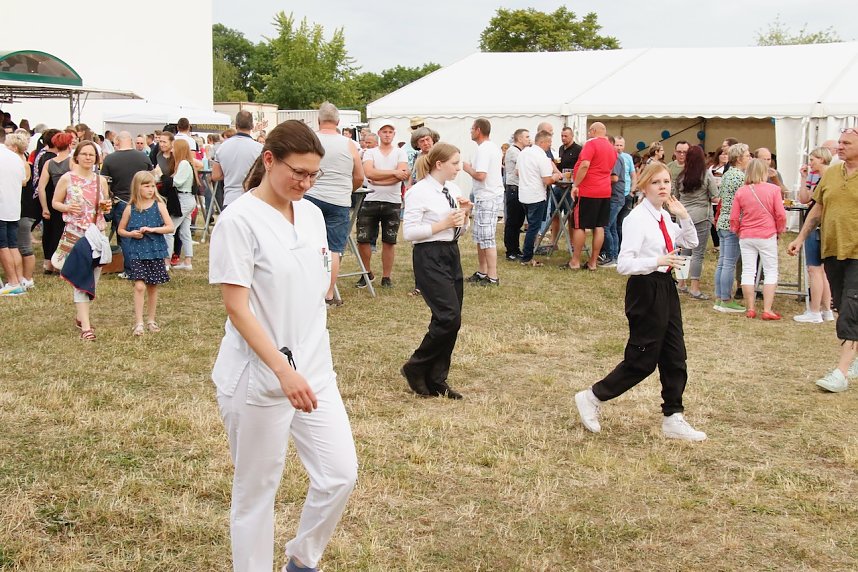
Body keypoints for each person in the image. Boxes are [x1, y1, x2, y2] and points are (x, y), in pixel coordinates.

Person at [209, 120, 357, 571]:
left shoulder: (310, 213)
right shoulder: (238, 220)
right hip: (258, 377)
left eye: (314, 175)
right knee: (257, 493)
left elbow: (314, 285)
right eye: (298, 172)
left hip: (314, 369)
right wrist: (281, 369)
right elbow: (237, 308)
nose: (306, 183)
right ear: (269, 160)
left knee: (339, 474)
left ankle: (302, 558)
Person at [574, 162, 705, 441]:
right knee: (642, 360)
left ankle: (673, 415)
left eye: (667, 182)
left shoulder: (664, 217)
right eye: (656, 182)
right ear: (644, 186)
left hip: (665, 286)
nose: (663, 187)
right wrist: (658, 260)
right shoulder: (636, 218)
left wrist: (683, 216)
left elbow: (691, 242)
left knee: (675, 354)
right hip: (645, 289)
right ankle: (592, 396)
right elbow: (624, 264)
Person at [787, 128, 858, 392]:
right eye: (839, 142)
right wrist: (800, 238)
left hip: (857, 254)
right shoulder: (831, 173)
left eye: (847, 143)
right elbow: (817, 208)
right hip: (833, 249)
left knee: (851, 309)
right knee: (840, 305)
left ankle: (841, 373)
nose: (840, 146)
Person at [401, 142, 473, 399]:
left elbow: (457, 230)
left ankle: (437, 378)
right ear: (439, 164)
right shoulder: (418, 192)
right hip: (429, 256)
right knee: (448, 317)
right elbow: (409, 233)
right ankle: (416, 366)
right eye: (455, 163)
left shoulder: (451, 189)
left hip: (450, 253)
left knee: (452, 319)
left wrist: (464, 216)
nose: (458, 168)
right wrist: (442, 224)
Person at [305, 102, 364, 305]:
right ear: (338, 122)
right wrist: (348, 189)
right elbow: (359, 175)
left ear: (319, 121)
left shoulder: (310, 140)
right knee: (333, 248)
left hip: (310, 197)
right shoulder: (349, 144)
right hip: (338, 200)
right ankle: (329, 294)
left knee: (306, 244)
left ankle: (306, 288)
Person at [52, 141, 110, 340]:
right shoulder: (67, 178)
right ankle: (86, 327)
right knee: (80, 279)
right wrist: (67, 208)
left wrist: (105, 206)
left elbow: (105, 206)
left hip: (96, 234)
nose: (87, 157)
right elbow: (55, 202)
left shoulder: (100, 180)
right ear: (76, 156)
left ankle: (80, 316)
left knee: (92, 278)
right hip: (76, 233)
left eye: (91, 155)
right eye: (84, 154)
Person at [118, 171, 174, 335]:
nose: (150, 189)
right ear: (137, 187)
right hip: (137, 252)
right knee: (139, 286)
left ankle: (151, 319)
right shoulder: (130, 208)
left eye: (152, 186)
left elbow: (170, 226)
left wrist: (153, 229)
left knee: (152, 286)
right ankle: (139, 322)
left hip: (155, 250)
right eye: (146, 186)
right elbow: (121, 229)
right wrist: (131, 234)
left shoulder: (159, 205)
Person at [729, 159, 787, 319]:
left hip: (747, 234)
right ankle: (767, 309)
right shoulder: (774, 190)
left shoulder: (741, 191)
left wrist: (737, 230)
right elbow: (780, 214)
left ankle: (750, 307)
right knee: (770, 271)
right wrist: (780, 230)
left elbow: (734, 217)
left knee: (748, 271)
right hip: (767, 234)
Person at [357, 123, 408, 288]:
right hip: (370, 199)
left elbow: (403, 174)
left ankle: (386, 277)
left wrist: (381, 177)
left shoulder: (400, 152)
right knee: (363, 239)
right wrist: (393, 173)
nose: (387, 135)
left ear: (394, 134)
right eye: (384, 132)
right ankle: (366, 273)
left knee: (389, 241)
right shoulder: (370, 152)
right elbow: (369, 173)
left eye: (390, 132)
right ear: (379, 133)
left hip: (392, 201)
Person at [564, 122, 617, 271]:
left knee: (580, 225)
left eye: (589, 131)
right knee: (599, 226)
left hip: (588, 190)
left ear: (593, 131)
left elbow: (585, 165)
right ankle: (593, 262)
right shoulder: (611, 148)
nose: (588, 134)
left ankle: (575, 261)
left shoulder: (591, 144)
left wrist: (576, 184)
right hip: (604, 191)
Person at [101, 131, 153, 278]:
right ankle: (145, 267)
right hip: (142, 201)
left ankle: (130, 270)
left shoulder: (110, 159)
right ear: (130, 141)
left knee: (125, 236)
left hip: (121, 201)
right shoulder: (143, 156)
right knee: (145, 234)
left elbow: (104, 183)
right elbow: (152, 177)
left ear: (116, 142)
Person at [794, 147, 834, 323]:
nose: (810, 164)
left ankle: (815, 311)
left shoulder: (826, 178)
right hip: (825, 228)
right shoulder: (823, 177)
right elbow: (803, 198)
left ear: (822, 159)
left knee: (814, 269)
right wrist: (803, 178)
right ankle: (826, 310)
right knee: (823, 272)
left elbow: (811, 201)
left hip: (817, 228)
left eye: (813, 160)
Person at [462, 118, 504, 286]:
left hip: (489, 195)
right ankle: (482, 271)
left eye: (472, 128)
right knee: (480, 237)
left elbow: (481, 175)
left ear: (478, 130)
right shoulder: (489, 147)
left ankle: (492, 276)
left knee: (486, 237)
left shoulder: (484, 149)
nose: (470, 131)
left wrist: (467, 168)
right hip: (485, 195)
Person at [675, 146, 719, 299]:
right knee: (698, 253)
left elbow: (676, 197)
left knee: (684, 252)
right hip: (701, 216)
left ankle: (681, 283)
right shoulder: (706, 175)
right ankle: (695, 288)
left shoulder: (681, 176)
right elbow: (715, 196)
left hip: (684, 216)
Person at [713, 143, 751, 313]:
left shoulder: (728, 174)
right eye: (748, 155)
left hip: (723, 221)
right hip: (732, 223)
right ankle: (726, 299)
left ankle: (720, 297)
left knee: (723, 262)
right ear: (740, 158)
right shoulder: (739, 177)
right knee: (729, 263)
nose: (749, 158)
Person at [517, 130, 560, 266]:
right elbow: (547, 180)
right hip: (536, 195)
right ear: (542, 142)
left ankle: (528, 253)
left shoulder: (523, 153)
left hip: (524, 194)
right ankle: (527, 257)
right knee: (533, 228)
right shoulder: (541, 156)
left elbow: (517, 172)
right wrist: (556, 177)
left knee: (531, 225)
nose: (550, 146)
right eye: (549, 142)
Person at [37, 132, 74, 273]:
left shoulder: (49, 163)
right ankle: (60, 264)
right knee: (64, 234)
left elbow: (41, 188)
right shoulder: (72, 162)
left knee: (50, 232)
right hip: (67, 200)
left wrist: (44, 207)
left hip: (52, 199)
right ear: (69, 144)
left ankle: (49, 263)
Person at [211, 111, 264, 208]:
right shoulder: (259, 149)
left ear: (236, 125)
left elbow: (215, 176)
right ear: (252, 126)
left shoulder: (222, 147)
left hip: (230, 199)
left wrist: (230, 174)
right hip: (252, 199)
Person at [7, 132, 37, 290]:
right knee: (18, 246)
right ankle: (23, 277)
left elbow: (23, 183)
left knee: (24, 246)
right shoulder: (20, 161)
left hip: (24, 209)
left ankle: (28, 278)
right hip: (22, 209)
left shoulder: (21, 163)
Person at [0, 132, 27, 296]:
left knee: (2, 247)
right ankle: (18, 280)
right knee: (12, 246)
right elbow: (23, 181)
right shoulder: (16, 158)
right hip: (13, 208)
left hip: (2, 208)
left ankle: (12, 282)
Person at [165, 139, 198, 271]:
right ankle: (188, 261)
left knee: (169, 230)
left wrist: (162, 178)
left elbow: (177, 182)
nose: (171, 150)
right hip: (188, 199)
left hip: (183, 199)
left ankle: (166, 261)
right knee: (185, 231)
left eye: (173, 148)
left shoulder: (183, 163)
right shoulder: (188, 163)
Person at [502, 128, 529, 261]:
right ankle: (510, 250)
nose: (529, 139)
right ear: (519, 139)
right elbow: (523, 167)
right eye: (527, 137)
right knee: (513, 221)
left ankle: (516, 249)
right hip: (514, 189)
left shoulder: (521, 151)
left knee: (518, 221)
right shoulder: (514, 151)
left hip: (519, 188)